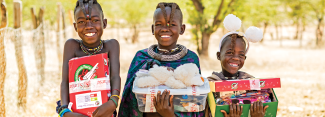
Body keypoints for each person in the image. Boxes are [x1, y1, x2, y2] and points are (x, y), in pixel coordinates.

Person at [118, 2, 205, 117]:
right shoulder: (141, 57)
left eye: (172, 24)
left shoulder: (190, 59)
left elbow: (196, 99)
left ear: (182, 29)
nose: (165, 29)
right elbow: (129, 97)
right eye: (159, 24)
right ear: (153, 29)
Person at [56, 0, 121, 117]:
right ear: (75, 26)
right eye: (81, 22)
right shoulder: (72, 46)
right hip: (76, 112)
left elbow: (115, 77)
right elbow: (65, 82)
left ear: (104, 23)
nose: (89, 26)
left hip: (105, 110)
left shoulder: (111, 46)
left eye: (95, 20)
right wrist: (64, 112)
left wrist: (113, 102)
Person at [206, 14, 269, 117]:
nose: (235, 58)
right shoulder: (210, 84)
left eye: (241, 55)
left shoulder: (251, 84)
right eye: (230, 52)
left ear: (244, 58)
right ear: (218, 55)